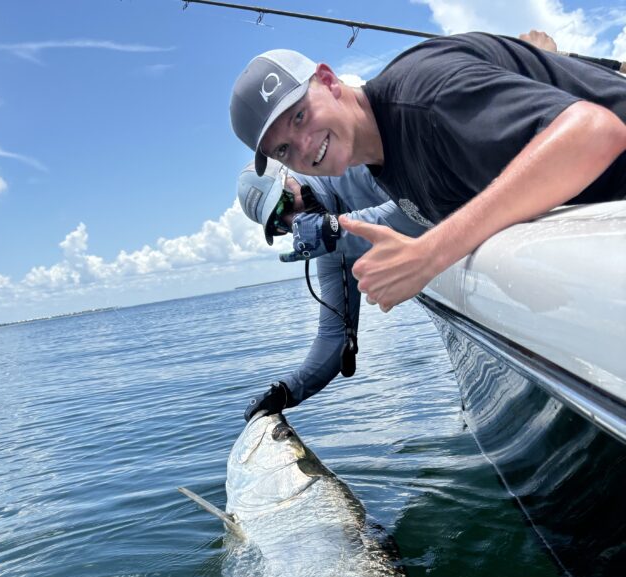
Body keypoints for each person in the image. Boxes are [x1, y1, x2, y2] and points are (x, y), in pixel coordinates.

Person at [229, 35, 626, 311]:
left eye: (300, 116)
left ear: (330, 81)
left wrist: (430, 255)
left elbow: (596, 133)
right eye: (282, 148)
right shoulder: (381, 156)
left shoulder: (425, 100)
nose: (303, 146)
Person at [237, 159, 425, 418]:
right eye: (279, 225)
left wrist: (336, 231)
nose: (293, 221)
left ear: (291, 175)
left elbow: (424, 208)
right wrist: (285, 392)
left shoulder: (351, 164)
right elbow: (333, 340)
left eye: (285, 203)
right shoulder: (328, 246)